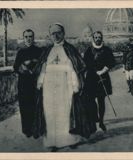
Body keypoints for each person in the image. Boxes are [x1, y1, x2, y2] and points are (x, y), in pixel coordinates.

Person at [32, 23, 96, 151]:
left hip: (65, 87)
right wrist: (40, 82)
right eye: (53, 33)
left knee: (66, 113)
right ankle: (53, 142)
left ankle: (70, 140)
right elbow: (42, 69)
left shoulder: (70, 49)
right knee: (50, 113)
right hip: (49, 88)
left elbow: (74, 70)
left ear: (63, 33)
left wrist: (75, 85)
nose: (55, 36)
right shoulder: (47, 51)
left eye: (58, 33)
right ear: (50, 36)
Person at [13, 29, 43, 138]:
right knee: (25, 106)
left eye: (30, 36)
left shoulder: (39, 51)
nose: (28, 38)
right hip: (24, 84)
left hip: (35, 83)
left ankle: (36, 129)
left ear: (33, 38)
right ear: (23, 38)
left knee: (35, 106)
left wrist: (34, 65)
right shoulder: (20, 52)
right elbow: (15, 67)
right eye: (26, 36)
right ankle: (27, 130)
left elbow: (42, 65)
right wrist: (24, 68)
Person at [83, 31, 115, 132]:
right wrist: (93, 71)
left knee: (101, 100)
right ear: (93, 38)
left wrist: (103, 70)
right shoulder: (89, 50)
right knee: (91, 100)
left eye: (99, 37)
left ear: (102, 38)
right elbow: (85, 63)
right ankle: (95, 116)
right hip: (91, 78)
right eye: (96, 37)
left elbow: (112, 62)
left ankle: (101, 121)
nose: (98, 39)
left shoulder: (107, 50)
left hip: (103, 78)